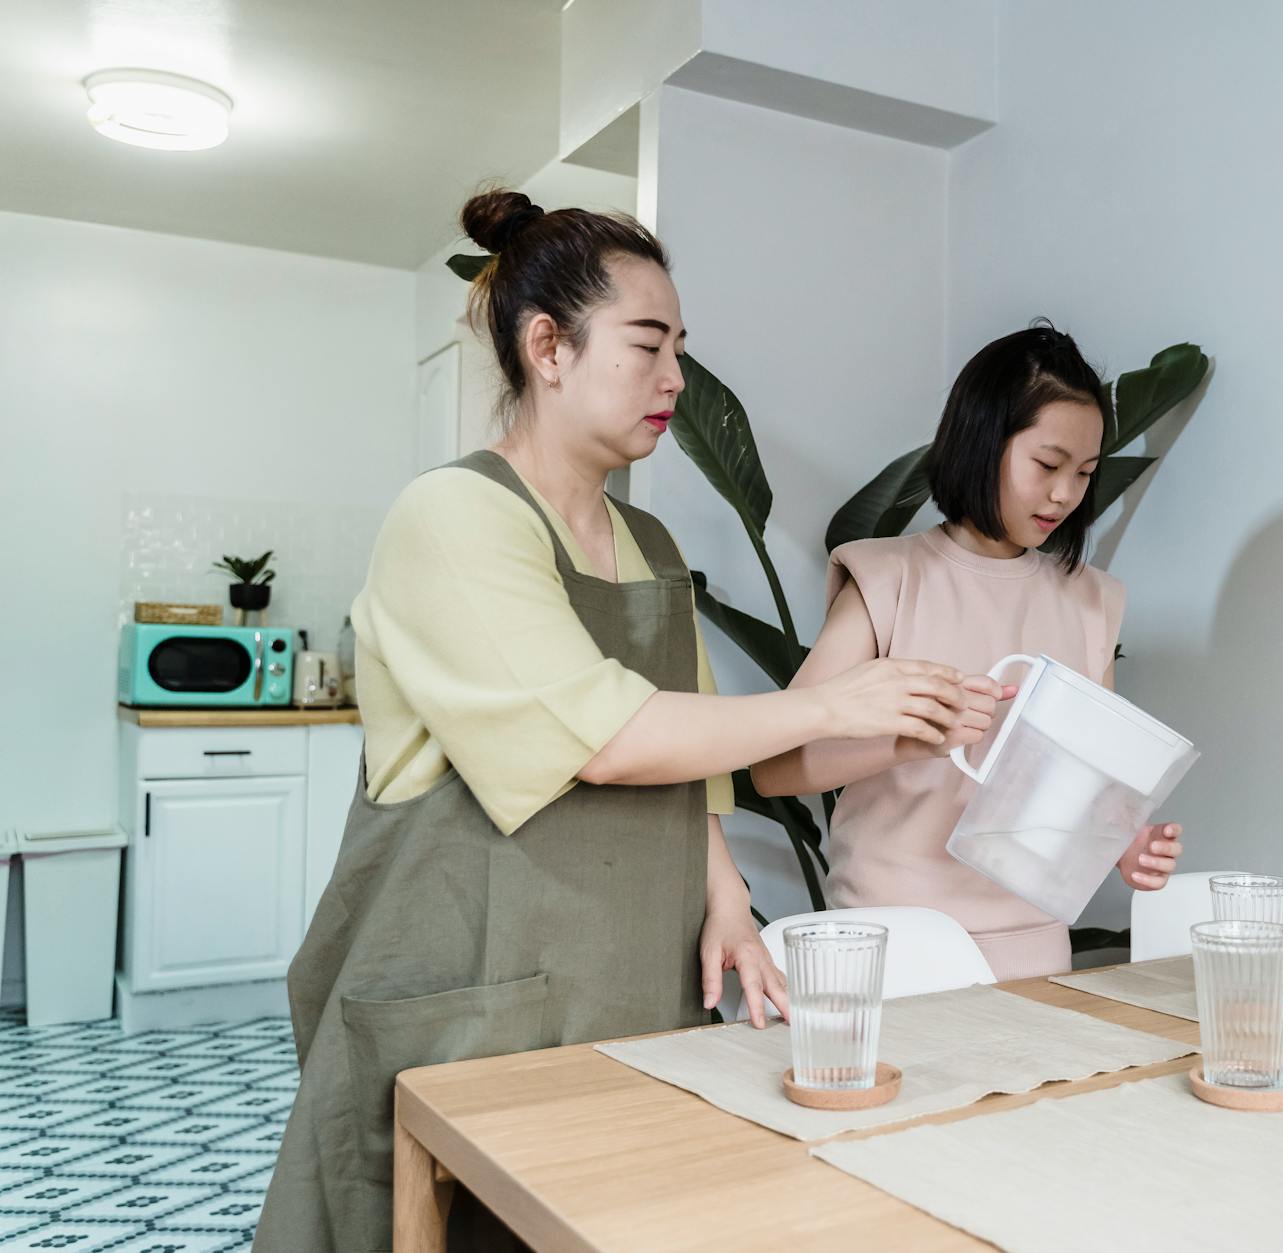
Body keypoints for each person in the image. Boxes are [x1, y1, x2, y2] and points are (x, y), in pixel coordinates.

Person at [255, 189, 992, 1252]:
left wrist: (727, 895)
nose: (676, 380)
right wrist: (837, 695)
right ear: (546, 346)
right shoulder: (453, 515)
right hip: (467, 999)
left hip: (625, 983)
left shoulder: (644, 541)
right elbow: (606, 736)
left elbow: (688, 746)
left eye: (679, 349)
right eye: (648, 346)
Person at [752, 323, 1184, 981]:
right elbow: (775, 766)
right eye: (1047, 465)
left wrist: (1123, 842)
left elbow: (1090, 787)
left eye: (1085, 473)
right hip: (891, 949)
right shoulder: (887, 580)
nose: (1066, 494)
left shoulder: (1091, 603)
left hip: (1034, 955)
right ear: (984, 442)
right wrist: (909, 738)